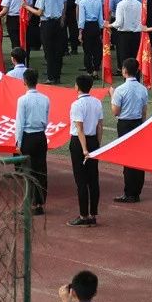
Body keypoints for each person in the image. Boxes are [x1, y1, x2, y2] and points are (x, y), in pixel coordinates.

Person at [68, 74, 104, 227]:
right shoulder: (97, 102)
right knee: (93, 179)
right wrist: (97, 144)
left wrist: (84, 150)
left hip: (79, 144)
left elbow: (80, 129)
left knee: (81, 180)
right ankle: (93, 215)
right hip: (93, 141)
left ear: (77, 87)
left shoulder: (77, 105)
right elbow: (100, 126)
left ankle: (83, 215)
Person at [111, 58, 149, 203]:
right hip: (138, 123)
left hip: (125, 125)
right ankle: (136, 191)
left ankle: (129, 193)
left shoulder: (120, 90)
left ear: (124, 71)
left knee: (127, 159)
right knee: (138, 158)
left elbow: (115, 111)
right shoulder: (143, 89)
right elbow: (144, 111)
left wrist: (112, 95)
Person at [15, 68, 51, 215]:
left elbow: (19, 123)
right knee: (41, 170)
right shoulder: (45, 98)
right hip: (41, 136)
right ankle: (39, 204)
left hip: (28, 137)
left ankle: (29, 204)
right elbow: (46, 119)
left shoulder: (22, 100)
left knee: (28, 171)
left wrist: (18, 143)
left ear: (24, 81)